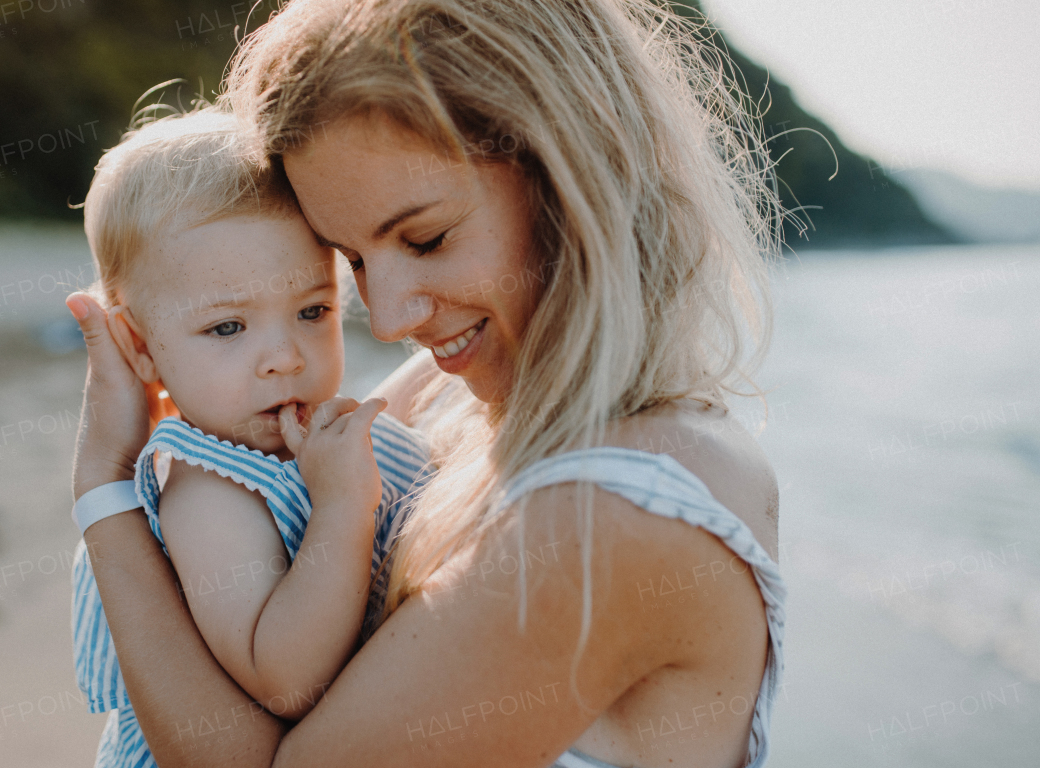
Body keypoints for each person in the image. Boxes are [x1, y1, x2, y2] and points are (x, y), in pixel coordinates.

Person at [65, 0, 786, 765]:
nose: (387, 320)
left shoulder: (611, 515)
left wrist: (103, 491)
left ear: (573, 172)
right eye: (358, 262)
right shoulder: (468, 395)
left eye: (427, 238)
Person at [67, 105, 433, 767]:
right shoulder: (210, 490)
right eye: (228, 328)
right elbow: (286, 678)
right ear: (140, 348)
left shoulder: (308, 442)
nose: (284, 357)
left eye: (311, 311)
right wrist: (343, 509)